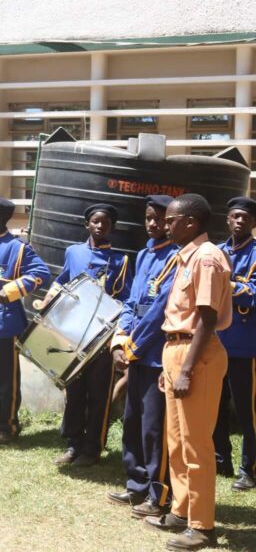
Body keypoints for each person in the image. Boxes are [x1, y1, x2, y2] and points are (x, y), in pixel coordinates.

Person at [144, 194, 230, 551]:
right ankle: (181, 510)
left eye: (171, 220)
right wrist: (172, 366)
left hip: (197, 354)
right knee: (177, 442)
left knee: (197, 445)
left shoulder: (207, 258)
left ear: (191, 222)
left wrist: (187, 370)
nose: (165, 226)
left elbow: (207, 319)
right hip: (177, 350)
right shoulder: (186, 256)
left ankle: (202, 525)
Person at [45, 203, 132, 468]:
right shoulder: (73, 252)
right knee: (74, 390)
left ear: (112, 227)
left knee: (98, 393)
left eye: (106, 222)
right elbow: (62, 280)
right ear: (87, 224)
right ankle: (73, 443)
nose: (100, 226)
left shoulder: (121, 260)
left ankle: (93, 447)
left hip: (102, 338)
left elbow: (126, 297)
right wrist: (49, 299)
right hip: (75, 333)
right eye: (95, 221)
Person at [108, 195, 178, 518]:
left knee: (154, 428)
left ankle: (158, 493)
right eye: (149, 217)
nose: (153, 223)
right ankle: (136, 485)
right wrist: (120, 340)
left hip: (155, 355)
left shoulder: (175, 258)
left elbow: (158, 312)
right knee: (132, 421)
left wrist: (132, 347)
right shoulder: (144, 254)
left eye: (159, 219)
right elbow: (131, 303)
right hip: (134, 352)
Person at [0, 196, 49, 444]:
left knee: (5, 380)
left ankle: (9, 427)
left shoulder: (18, 247)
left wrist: (13, 290)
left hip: (6, 322)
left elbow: (41, 273)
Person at [213, 197, 256, 492]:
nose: (239, 221)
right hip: (217, 341)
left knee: (247, 411)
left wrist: (228, 286)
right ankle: (221, 460)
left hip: (246, 344)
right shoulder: (216, 252)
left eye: (245, 217)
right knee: (214, 406)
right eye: (235, 216)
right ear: (227, 219)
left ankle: (248, 469)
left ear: (253, 222)